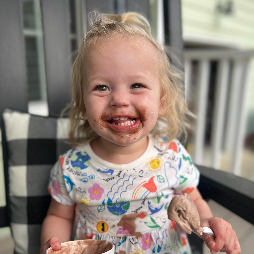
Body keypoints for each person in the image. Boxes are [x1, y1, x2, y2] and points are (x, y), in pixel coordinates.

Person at [40, 12, 240, 254]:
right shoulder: (71, 167)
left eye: (137, 85)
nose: (120, 100)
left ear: (162, 101)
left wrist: (208, 224)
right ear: (83, 105)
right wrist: (53, 244)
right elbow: (58, 216)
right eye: (101, 87)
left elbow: (194, 202)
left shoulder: (172, 156)